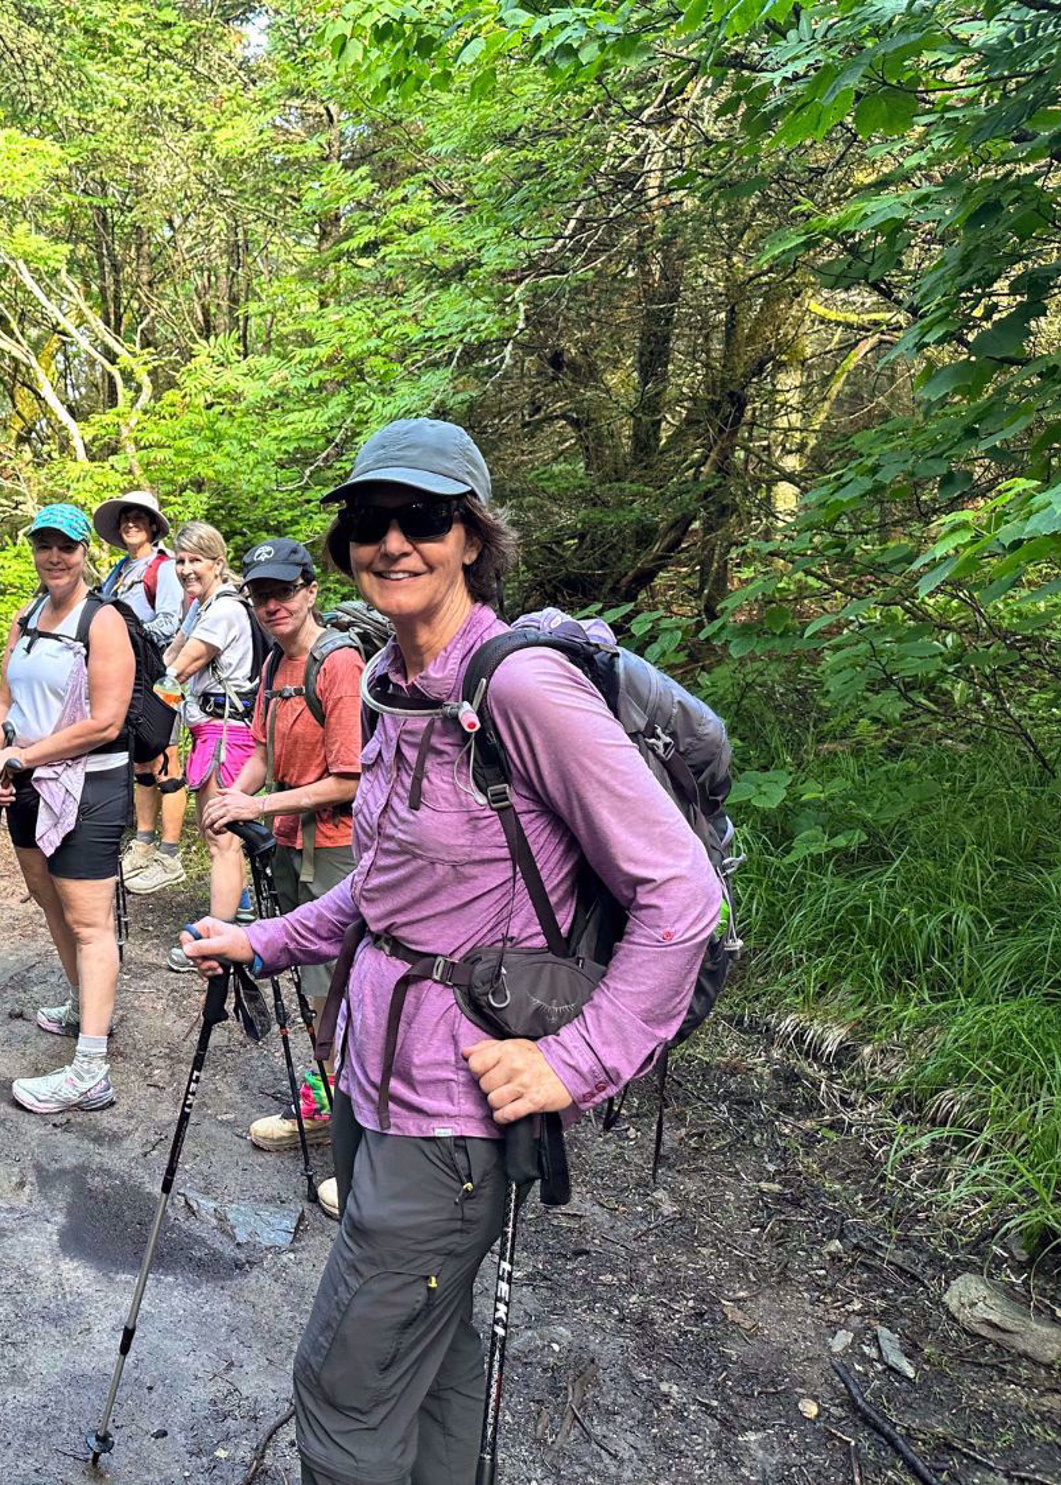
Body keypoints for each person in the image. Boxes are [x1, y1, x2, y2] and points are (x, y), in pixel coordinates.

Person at [182, 419, 720, 1484]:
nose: (393, 542)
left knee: (340, 1394)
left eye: (423, 519)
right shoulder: (394, 684)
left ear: (472, 537)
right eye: (371, 522)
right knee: (432, 1352)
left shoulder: (518, 689)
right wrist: (262, 942)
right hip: (373, 1082)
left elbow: (680, 893)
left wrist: (574, 1062)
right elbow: (384, 899)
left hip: (456, 1112)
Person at [201, 537, 361, 1153]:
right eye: (261, 595)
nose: (272, 606)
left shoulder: (338, 664)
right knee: (307, 981)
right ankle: (324, 1104)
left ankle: (353, 1123)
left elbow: (352, 776)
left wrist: (256, 805)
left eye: (284, 592)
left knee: (336, 985)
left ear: (311, 591)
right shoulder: (273, 667)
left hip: (339, 844)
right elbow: (263, 754)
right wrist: (228, 800)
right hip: (293, 841)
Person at [0, 504, 137, 1115]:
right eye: (44, 545)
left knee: (90, 921)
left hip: (88, 787)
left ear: (83, 552)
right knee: (50, 899)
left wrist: (24, 759)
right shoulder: (26, 616)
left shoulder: (103, 622)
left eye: (66, 547)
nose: (54, 557)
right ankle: (82, 1001)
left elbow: (105, 722)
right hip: (25, 780)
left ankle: (91, 1068)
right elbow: (4, 697)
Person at [156, 521, 258, 969]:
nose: (184, 569)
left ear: (218, 562)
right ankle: (240, 909)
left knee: (220, 838)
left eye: (195, 559)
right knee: (221, 835)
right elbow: (170, 656)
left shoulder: (223, 611)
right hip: (209, 730)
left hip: (224, 733)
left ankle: (218, 935)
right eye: (179, 560)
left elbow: (177, 668)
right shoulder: (203, 607)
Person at [91, 491, 189, 895]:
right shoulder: (118, 571)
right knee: (141, 762)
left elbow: (169, 621)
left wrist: (126, 634)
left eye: (139, 518)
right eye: (125, 518)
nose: (131, 524)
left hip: (159, 676)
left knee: (166, 758)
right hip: (125, 681)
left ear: (152, 526)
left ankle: (170, 853)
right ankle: (144, 843)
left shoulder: (162, 569)